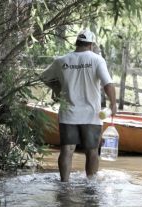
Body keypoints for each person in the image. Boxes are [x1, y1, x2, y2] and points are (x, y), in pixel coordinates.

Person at [41, 29, 117, 182]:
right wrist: (113, 104)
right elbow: (108, 84)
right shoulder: (97, 60)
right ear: (91, 45)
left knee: (67, 150)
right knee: (92, 151)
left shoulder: (61, 60)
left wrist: (57, 88)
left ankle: (64, 184)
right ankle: (91, 183)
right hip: (92, 115)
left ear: (77, 43)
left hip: (68, 113)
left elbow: (44, 77)